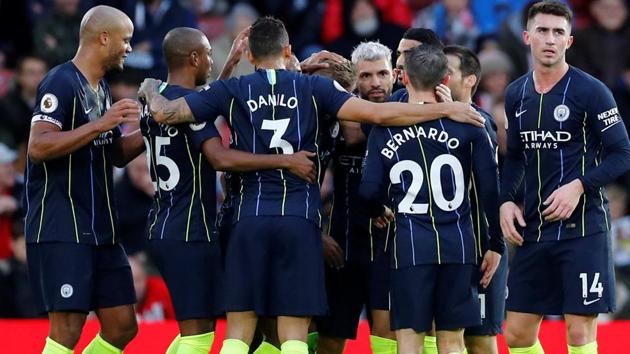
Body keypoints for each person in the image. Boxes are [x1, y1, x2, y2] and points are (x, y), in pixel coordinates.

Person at [138, 17, 485, 354]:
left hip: (248, 220)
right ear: (288, 50)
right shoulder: (316, 88)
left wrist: (151, 87)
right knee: (293, 335)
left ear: (250, 55)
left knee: (240, 332)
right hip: (299, 221)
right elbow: (379, 115)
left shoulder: (232, 90)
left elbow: (165, 112)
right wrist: (445, 109)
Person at [141, 26, 318, 354]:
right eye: (209, 54)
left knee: (234, 330)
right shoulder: (188, 107)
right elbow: (219, 156)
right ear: (194, 58)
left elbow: (199, 100)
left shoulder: (157, 98)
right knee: (200, 336)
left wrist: (229, 65)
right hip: (188, 230)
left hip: (162, 222)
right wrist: (285, 161)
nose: (212, 60)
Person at [499, 2, 630, 354]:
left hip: (584, 229)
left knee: (579, 332)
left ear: (569, 41)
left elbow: (623, 153)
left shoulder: (591, 91)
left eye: (559, 32)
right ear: (527, 37)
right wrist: (506, 200)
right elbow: (515, 157)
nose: (550, 39)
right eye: (542, 30)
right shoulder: (516, 94)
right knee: (517, 334)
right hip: (535, 229)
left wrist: (578, 186)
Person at [359, 44, 503, 354]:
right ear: (445, 80)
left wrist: (379, 209)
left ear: (405, 79)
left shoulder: (384, 129)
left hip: (410, 247)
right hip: (459, 246)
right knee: (451, 341)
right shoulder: (470, 124)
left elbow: (367, 192)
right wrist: (495, 244)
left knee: (409, 340)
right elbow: (490, 191)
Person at [24, 5, 145, 354]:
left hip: (101, 231)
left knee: (122, 326)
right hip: (62, 227)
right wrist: (99, 124)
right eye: (125, 40)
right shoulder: (60, 82)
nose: (129, 48)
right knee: (67, 330)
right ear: (103, 38)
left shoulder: (101, 89)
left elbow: (115, 153)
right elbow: (38, 145)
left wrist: (150, 130)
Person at [315, 41, 396, 354]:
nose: (375, 82)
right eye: (365, 76)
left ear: (394, 75)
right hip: (342, 243)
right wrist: (316, 232)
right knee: (330, 339)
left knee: (387, 335)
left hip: (391, 245)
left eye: (381, 73)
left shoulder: (408, 113)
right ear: (354, 80)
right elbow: (310, 178)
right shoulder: (334, 119)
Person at [444, 44, 507, 354]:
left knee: (480, 340)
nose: (440, 77)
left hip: (480, 248)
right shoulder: (426, 119)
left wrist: (494, 245)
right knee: (442, 335)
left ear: (469, 80)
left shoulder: (480, 123)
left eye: (448, 72)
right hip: (440, 250)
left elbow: (489, 190)